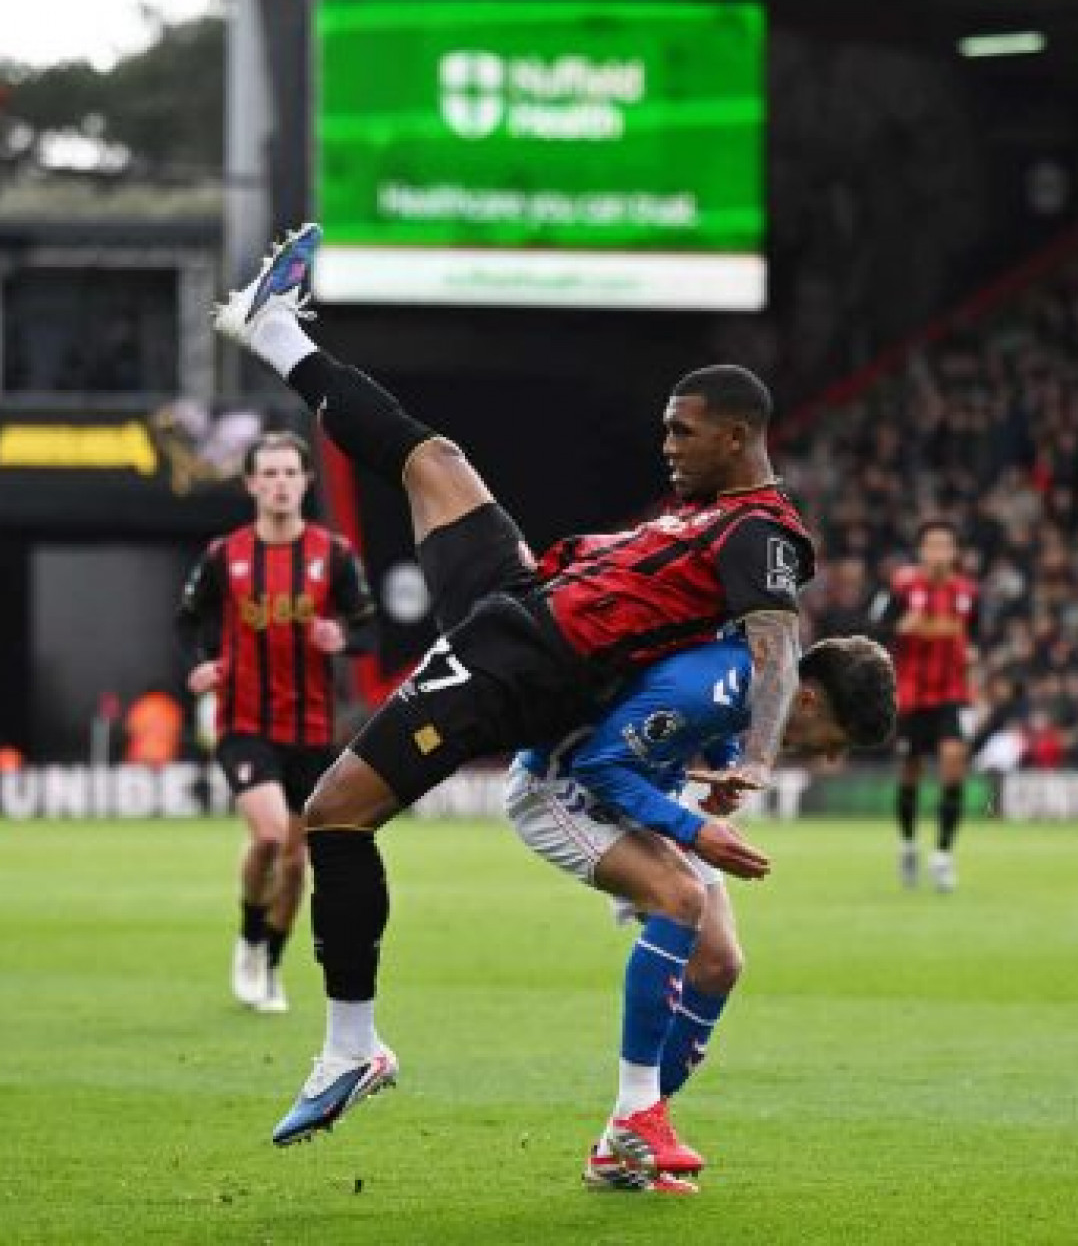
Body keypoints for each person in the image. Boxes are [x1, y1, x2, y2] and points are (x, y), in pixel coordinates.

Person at [212, 224, 817, 1146]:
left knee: (333, 813)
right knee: (435, 459)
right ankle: (275, 331)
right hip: (523, 598)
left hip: (530, 662)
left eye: (681, 432)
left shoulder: (761, 530)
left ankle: (351, 1048)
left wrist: (760, 761)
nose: (665, 445)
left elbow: (776, 644)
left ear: (738, 438)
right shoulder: (706, 512)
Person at [507, 631, 895, 1193]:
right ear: (807, 698)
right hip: (559, 784)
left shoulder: (758, 686)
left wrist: (725, 765)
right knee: (680, 897)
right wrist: (694, 830)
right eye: (836, 740)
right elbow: (598, 762)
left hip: (640, 786)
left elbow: (696, 732)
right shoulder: (710, 692)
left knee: (718, 963)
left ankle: (621, 1148)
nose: (830, 755)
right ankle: (637, 1120)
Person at [177, 431, 376, 1014]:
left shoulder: (333, 555)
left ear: (306, 481)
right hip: (244, 720)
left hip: (312, 730)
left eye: (291, 472)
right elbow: (188, 621)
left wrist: (343, 636)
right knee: (267, 834)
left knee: (295, 865)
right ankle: (247, 935)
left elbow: (368, 628)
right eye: (269, 474)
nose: (281, 483)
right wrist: (201, 666)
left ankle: (270, 959)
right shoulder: (226, 556)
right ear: (250, 484)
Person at [870, 519, 978, 893]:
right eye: (931, 545)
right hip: (911, 696)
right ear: (921, 551)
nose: (938, 553)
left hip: (950, 694)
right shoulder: (901, 588)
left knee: (953, 764)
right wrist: (899, 627)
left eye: (945, 546)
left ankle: (943, 856)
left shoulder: (966, 592)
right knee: (910, 772)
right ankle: (908, 845)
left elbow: (976, 634)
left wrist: (974, 652)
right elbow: (875, 631)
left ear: (954, 552)